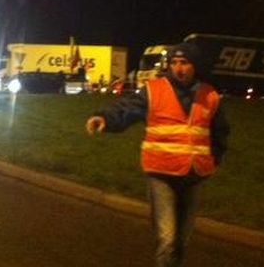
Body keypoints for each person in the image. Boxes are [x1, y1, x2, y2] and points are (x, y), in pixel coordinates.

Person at [85, 42, 229, 267]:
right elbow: (126, 109)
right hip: (161, 173)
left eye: (184, 63)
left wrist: (215, 159)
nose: (179, 68)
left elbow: (219, 132)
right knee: (168, 239)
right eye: (174, 63)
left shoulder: (209, 95)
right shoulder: (154, 90)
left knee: (181, 241)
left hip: (194, 175)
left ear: (195, 66)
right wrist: (104, 118)